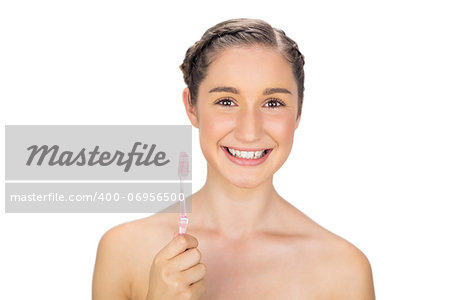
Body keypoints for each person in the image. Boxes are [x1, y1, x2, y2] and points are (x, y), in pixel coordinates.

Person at [92, 18, 376, 299]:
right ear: (192, 108)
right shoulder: (123, 251)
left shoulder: (345, 271)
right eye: (226, 102)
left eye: (273, 103)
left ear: (298, 113)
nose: (249, 131)